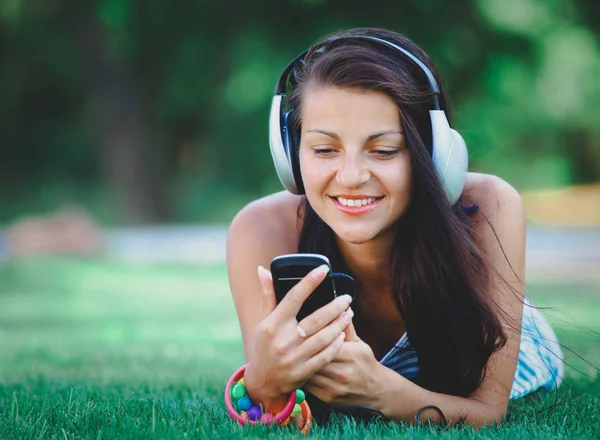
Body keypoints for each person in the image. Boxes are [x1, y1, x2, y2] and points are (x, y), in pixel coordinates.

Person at [226, 27, 563, 429]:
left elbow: (489, 413)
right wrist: (264, 381)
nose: (351, 176)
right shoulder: (260, 229)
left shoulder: (488, 206)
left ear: (433, 156)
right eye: (324, 149)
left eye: (384, 151)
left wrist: (384, 394)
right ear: (289, 154)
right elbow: (275, 406)